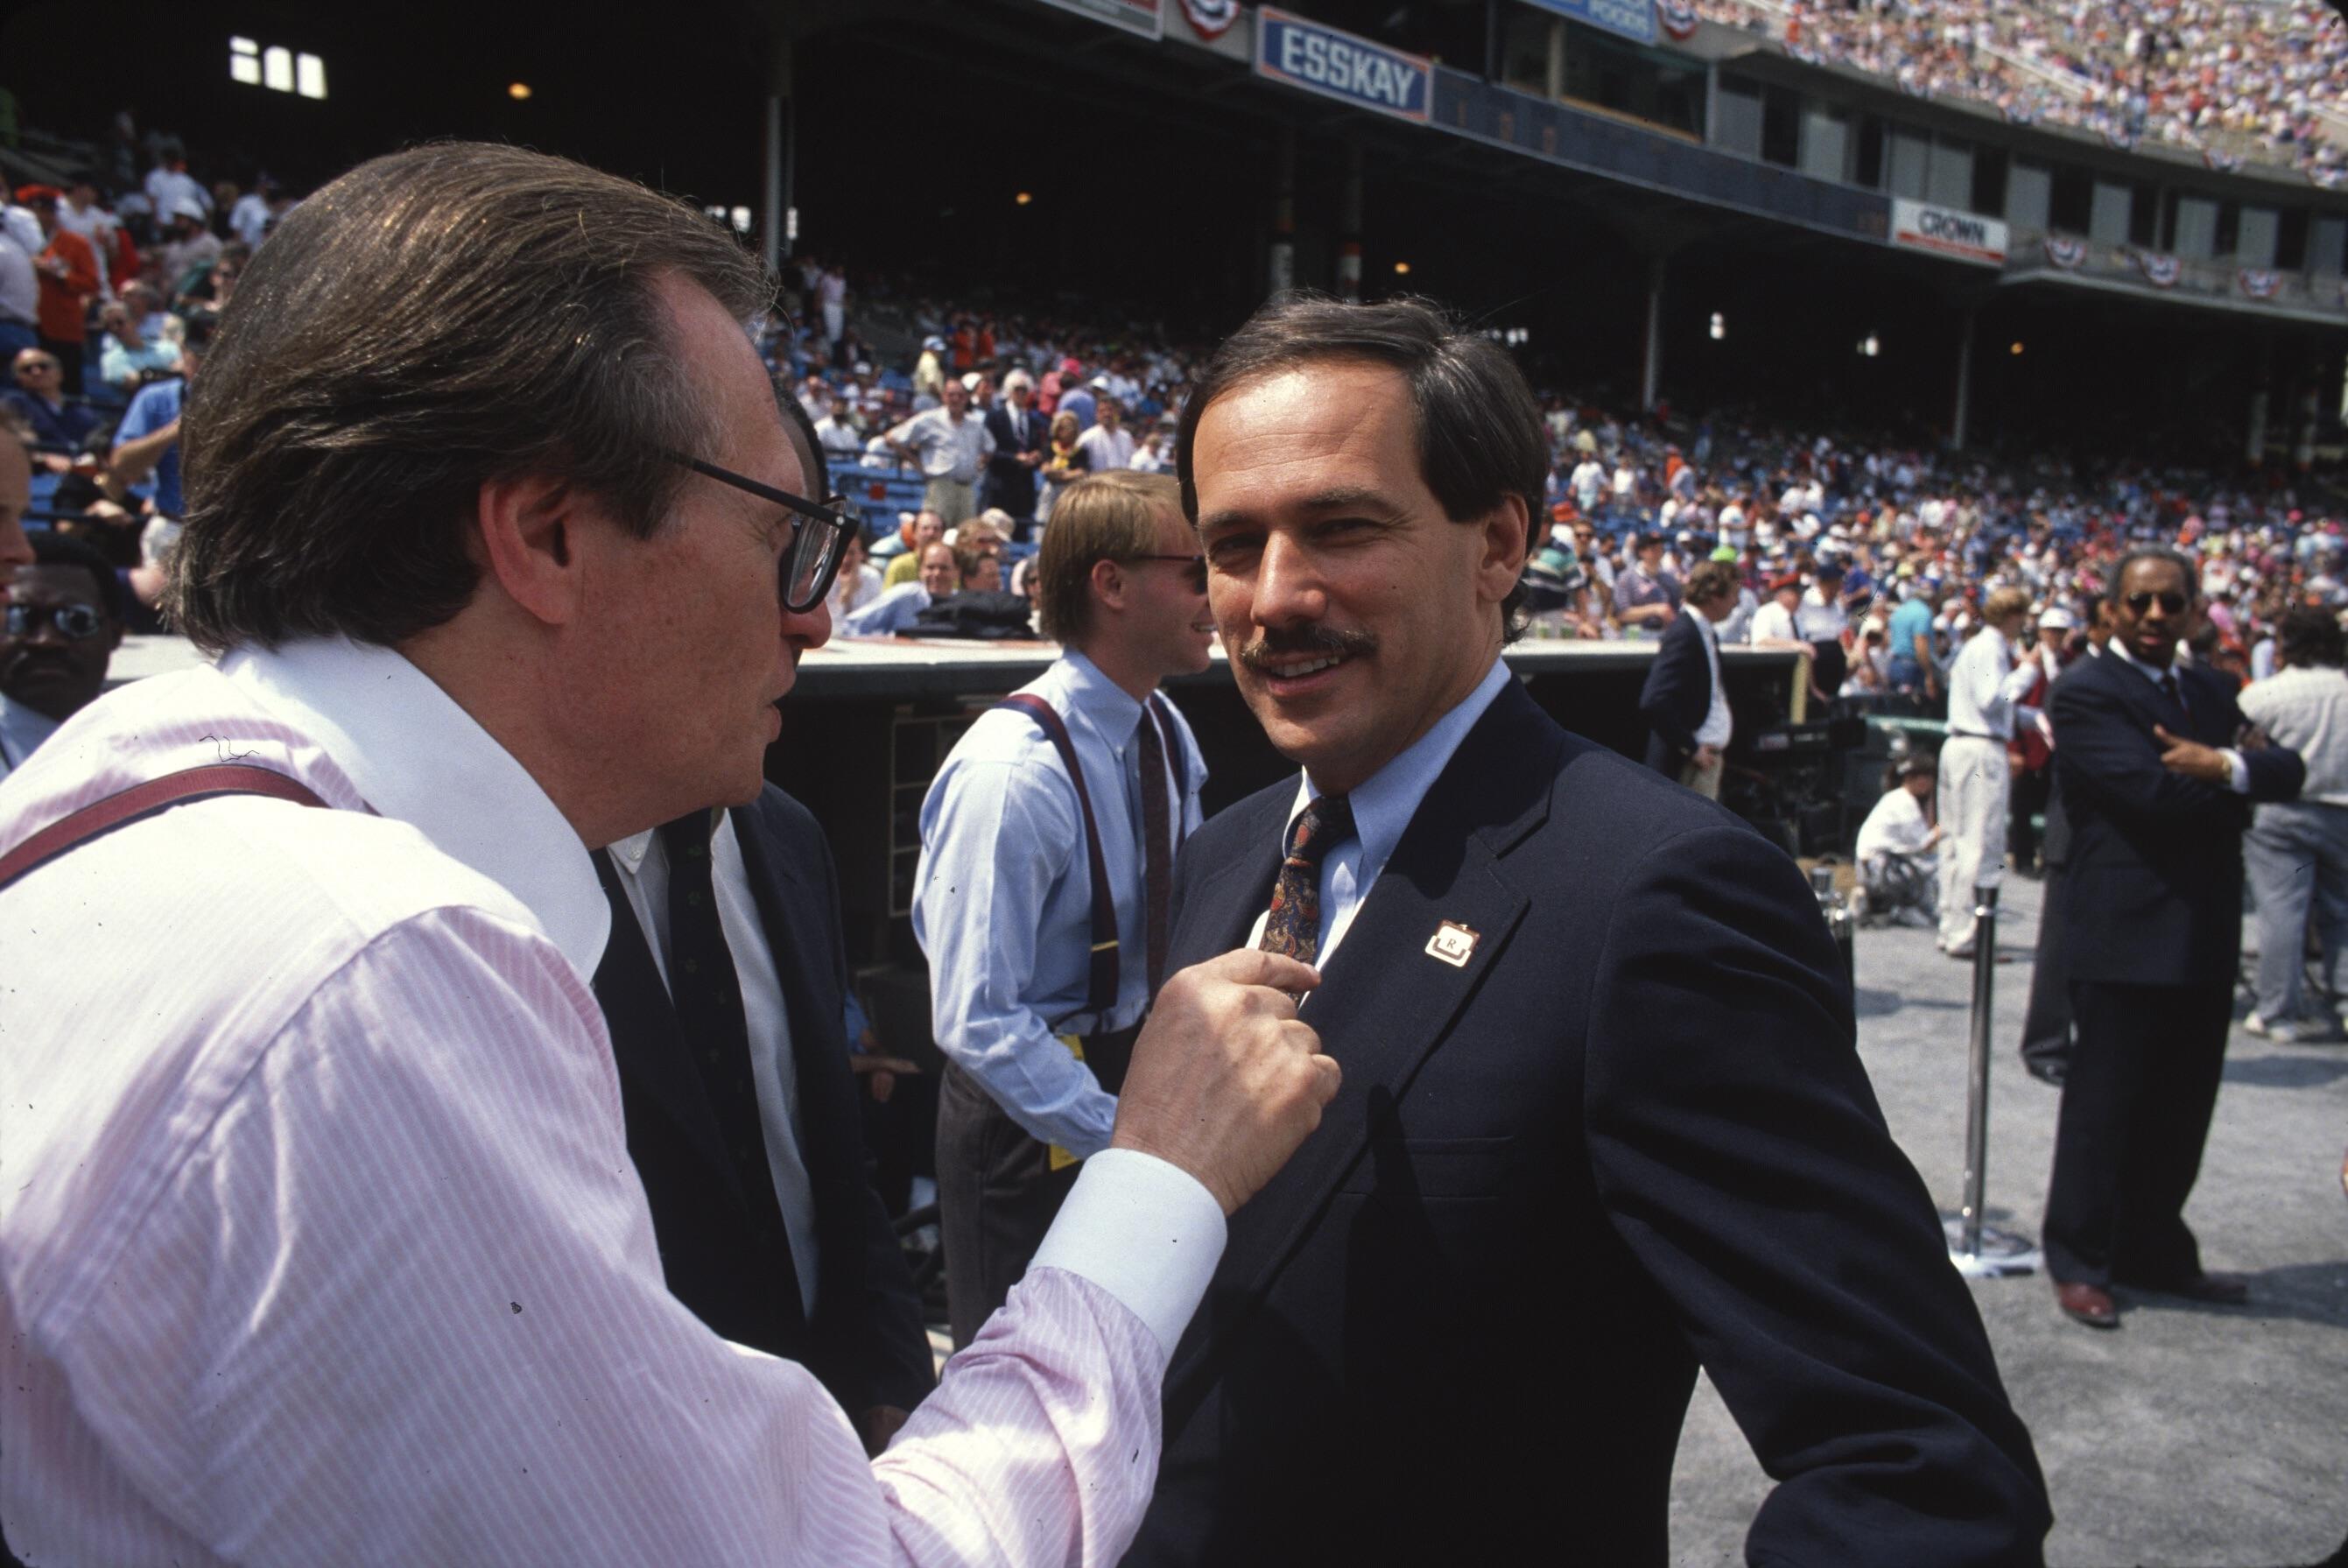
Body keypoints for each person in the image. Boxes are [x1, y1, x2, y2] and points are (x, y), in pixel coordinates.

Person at [0, 142, 1341, 1565]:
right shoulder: (365, 983)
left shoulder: (108, 812)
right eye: (785, 537)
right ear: (547, 533)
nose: (814, 618)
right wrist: (1158, 1175)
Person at [1135, 293, 2047, 1567]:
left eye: (1340, 527)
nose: (1274, 597)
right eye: (1232, 544)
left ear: (1497, 543)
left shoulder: (1660, 895)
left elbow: (1916, 1464)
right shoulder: (1224, 852)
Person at [585, 392, 933, 1454]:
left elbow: (827, 1152)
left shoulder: (787, 837)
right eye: (783, 550)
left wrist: (886, 1370)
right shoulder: (482, 885)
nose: (816, 619)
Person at [916, 471, 1213, 1347]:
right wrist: (1121, 1137)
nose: (1218, 593)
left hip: (1124, 1091)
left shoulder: (1164, 728)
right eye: (1195, 570)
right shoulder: (1012, 773)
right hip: (1024, 1122)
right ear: (1112, 585)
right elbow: (977, 1019)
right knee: (1017, 1401)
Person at [2041, 547, 2304, 1331]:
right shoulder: (2085, 690)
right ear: (2114, 608)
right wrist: (2235, 783)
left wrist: (2221, 765)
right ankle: (2082, 1259)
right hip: (2124, 930)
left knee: (2183, 1106)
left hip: (2204, 927)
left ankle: (2156, 1249)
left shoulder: (2212, 688)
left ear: (2194, 608)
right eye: (2141, 602)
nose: (2157, 616)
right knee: (2105, 1105)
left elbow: (2287, 769)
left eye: (2172, 602)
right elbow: (2150, 796)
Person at [2238, 606, 2348, 1042]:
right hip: (2342, 808)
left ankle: (2278, 1010)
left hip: (2282, 813)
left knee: (2283, 909)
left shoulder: (2265, 694)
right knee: (2343, 911)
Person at [1937, 587, 2044, 960]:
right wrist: (2029, 671)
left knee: (1955, 839)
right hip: (1980, 751)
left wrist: (2036, 718)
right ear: (2013, 616)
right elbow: (1992, 697)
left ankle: (1952, 926)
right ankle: (1967, 932)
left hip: (1962, 744)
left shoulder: (1980, 646)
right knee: (1979, 842)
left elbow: (1995, 706)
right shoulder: (1991, 647)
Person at [0, 531, 122, 780]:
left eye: (76, 620)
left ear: (115, 634)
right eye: (20, 617)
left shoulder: (153, 739)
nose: (46, 640)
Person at [1638, 557, 1738, 798]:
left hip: (1705, 761)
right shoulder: (1685, 633)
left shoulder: (1705, 632)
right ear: (1715, 595)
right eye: (1734, 594)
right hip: (1691, 766)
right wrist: (1691, 748)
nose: (1736, 603)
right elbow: (1654, 701)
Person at [1852, 750, 1942, 927]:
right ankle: (1909, 907)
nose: (1928, 782)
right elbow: (1925, 844)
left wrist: (1930, 799)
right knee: (1940, 863)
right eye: (1923, 776)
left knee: (1931, 861)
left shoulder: (1900, 798)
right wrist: (1943, 827)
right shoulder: (1904, 803)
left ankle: (1916, 907)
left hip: (1878, 864)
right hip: (1880, 867)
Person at [887, 377, 990, 527]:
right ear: (943, 397)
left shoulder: (975, 423)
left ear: (967, 398)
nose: (956, 399)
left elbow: (990, 447)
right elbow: (892, 438)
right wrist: (917, 464)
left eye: (960, 395)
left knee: (965, 540)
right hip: (941, 486)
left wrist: (980, 465)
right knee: (936, 532)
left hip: (967, 487)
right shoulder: (930, 419)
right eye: (951, 395)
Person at [980, 368, 1045, 531]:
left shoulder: (1033, 421)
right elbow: (989, 451)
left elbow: (1037, 447)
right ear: (1009, 391)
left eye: (1025, 390)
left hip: (1023, 489)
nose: (1021, 393)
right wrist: (1014, 458)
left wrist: (1037, 456)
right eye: (1017, 389)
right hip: (1000, 485)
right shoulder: (995, 417)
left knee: (1021, 533)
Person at [882, 510, 946, 587]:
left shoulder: (950, 568)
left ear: (943, 534)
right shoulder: (899, 566)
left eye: (936, 529)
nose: (931, 533)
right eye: (925, 528)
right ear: (914, 533)